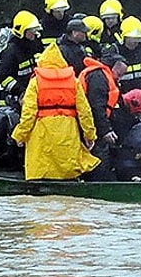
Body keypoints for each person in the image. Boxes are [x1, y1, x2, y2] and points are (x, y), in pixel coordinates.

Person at [11, 43, 99, 180]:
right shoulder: (74, 82)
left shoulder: (35, 82)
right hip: (68, 129)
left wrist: (20, 135)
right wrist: (90, 135)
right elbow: (85, 112)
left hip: (42, 131)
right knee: (67, 166)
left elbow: (28, 114)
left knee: (42, 169)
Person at [79, 51, 128, 180]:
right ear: (112, 68)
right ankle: (96, 186)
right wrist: (105, 130)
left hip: (93, 125)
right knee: (99, 158)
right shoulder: (98, 77)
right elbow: (97, 106)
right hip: (89, 126)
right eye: (118, 74)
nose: (119, 78)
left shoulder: (102, 76)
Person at [0, 10, 44, 104]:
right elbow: (4, 78)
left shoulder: (34, 46)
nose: (35, 33)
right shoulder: (11, 52)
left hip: (31, 95)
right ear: (21, 31)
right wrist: (21, 91)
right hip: (13, 100)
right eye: (32, 30)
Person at [110, 16, 141, 95]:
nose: (135, 43)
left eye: (138, 40)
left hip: (139, 95)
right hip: (121, 95)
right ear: (124, 37)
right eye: (132, 39)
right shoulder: (114, 51)